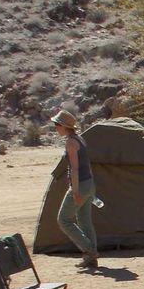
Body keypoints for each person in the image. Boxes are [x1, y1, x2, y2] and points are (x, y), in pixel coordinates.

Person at [51, 108, 99, 269]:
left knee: (63, 219)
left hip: (80, 185)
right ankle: (91, 258)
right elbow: (88, 165)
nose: (55, 127)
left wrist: (76, 191)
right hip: (89, 184)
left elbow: (75, 168)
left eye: (57, 124)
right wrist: (90, 188)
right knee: (85, 220)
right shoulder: (80, 139)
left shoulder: (71, 143)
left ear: (64, 126)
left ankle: (89, 251)